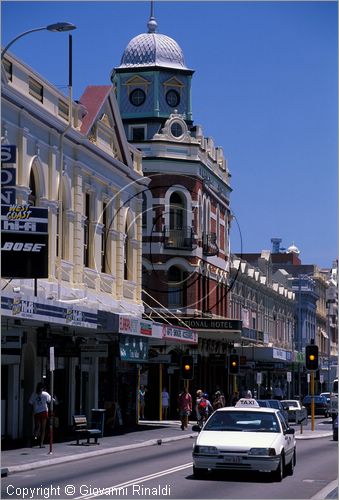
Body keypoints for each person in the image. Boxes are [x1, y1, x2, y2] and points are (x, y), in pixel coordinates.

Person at [29, 382, 51, 448]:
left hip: (37, 412)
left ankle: (36, 439)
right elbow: (49, 401)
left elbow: (30, 403)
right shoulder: (45, 394)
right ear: (43, 388)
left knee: (37, 427)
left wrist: (31, 411)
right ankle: (40, 443)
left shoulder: (34, 394)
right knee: (42, 428)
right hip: (43, 412)